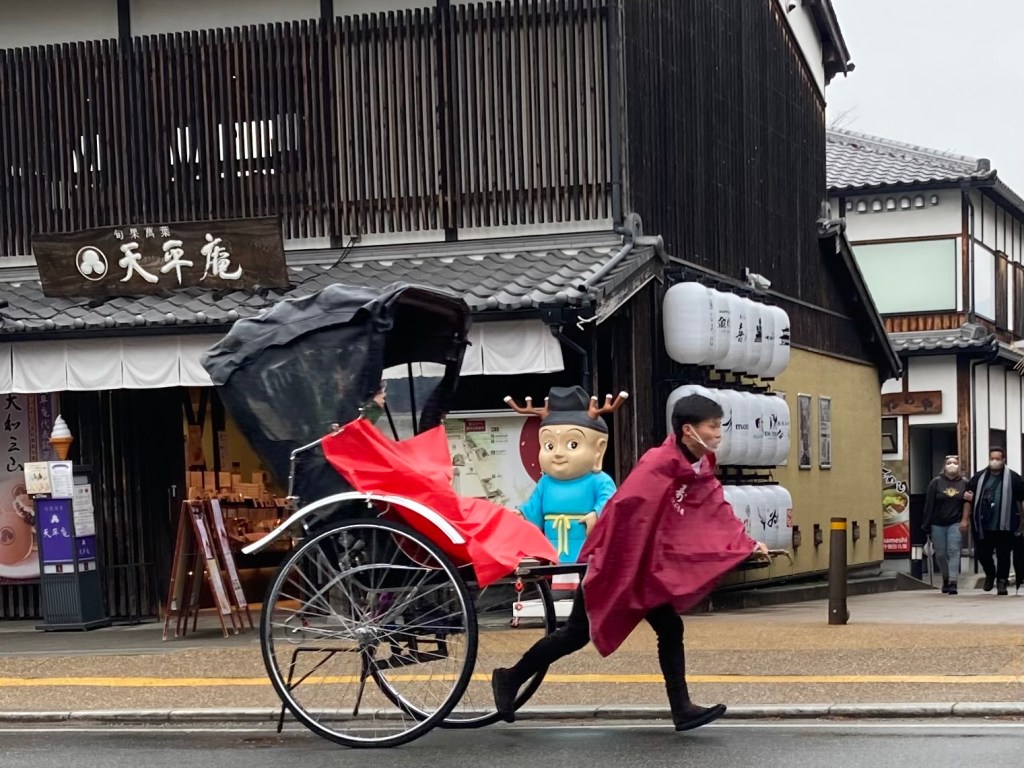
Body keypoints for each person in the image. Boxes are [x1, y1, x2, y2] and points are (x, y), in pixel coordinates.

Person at [491, 393, 768, 731]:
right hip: (617, 561)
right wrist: (621, 564)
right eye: (712, 427)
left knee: (669, 627)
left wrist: (744, 543)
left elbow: (713, 510)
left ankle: (681, 707)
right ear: (687, 431)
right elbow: (628, 516)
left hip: (645, 568)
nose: (718, 434)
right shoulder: (658, 463)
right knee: (576, 635)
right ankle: (509, 677)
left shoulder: (698, 466)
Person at [962, 447, 1024, 595]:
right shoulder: (978, 478)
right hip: (982, 525)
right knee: (982, 553)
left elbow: (1020, 500)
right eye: (992, 458)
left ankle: (1001, 581)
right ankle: (990, 574)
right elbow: (967, 499)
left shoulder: (1014, 478)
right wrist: (965, 519)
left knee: (1004, 554)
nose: (994, 461)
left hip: (1006, 524)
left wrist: (1022, 521)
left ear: (1003, 460)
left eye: (997, 459)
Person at [921, 455, 967, 594]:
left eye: (955, 463)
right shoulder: (936, 483)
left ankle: (953, 582)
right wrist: (926, 524)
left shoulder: (964, 483)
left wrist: (966, 519)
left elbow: (968, 502)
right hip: (937, 523)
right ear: (944, 465)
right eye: (949, 463)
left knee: (954, 551)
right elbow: (929, 504)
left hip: (956, 521)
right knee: (940, 554)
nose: (952, 465)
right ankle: (945, 578)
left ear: (959, 466)